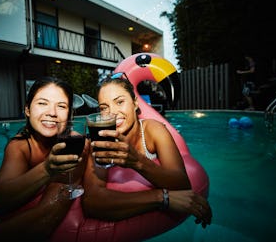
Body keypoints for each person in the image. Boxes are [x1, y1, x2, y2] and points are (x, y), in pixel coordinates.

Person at [0, 77, 89, 241]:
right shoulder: (20, 146)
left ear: (70, 114)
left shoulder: (77, 144)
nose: (52, 112)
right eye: (42, 103)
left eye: (61, 106)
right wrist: (47, 169)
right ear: (28, 110)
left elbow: (49, 213)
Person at [81, 74, 212, 228]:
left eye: (120, 102)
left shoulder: (153, 130)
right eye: (104, 107)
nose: (112, 113)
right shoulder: (101, 140)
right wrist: (161, 197)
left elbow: (182, 184)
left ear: (135, 103)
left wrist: (137, 161)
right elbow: (92, 203)